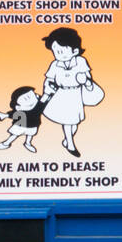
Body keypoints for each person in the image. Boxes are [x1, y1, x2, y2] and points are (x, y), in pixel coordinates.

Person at [40, 27, 100, 158]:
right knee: (68, 121)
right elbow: (49, 78)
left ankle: (67, 140)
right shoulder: (55, 65)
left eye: (61, 51)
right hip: (61, 95)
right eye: (55, 51)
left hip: (75, 95)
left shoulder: (81, 61)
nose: (57, 54)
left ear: (75, 51)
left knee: (74, 122)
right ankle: (71, 144)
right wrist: (47, 88)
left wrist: (86, 81)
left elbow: (87, 77)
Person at [0, 86, 48, 153]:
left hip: (33, 125)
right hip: (21, 124)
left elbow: (43, 101)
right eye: (25, 99)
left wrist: (46, 95)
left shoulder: (38, 106)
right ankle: (6, 143)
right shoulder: (21, 110)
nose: (28, 99)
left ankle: (27, 143)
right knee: (14, 135)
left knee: (30, 135)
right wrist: (7, 115)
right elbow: (15, 114)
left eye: (30, 96)